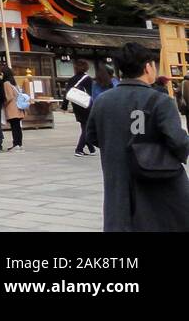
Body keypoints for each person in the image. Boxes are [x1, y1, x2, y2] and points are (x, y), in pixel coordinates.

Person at [86, 42, 189, 232]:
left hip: (117, 177)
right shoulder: (161, 101)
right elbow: (178, 142)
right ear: (147, 66)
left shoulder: (102, 101)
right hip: (157, 179)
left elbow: (91, 137)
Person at [62, 58, 96, 157]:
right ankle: (79, 149)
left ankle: (91, 148)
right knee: (86, 127)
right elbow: (90, 94)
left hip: (76, 105)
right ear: (86, 67)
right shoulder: (88, 79)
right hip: (85, 105)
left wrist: (64, 106)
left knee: (84, 126)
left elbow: (67, 93)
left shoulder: (72, 79)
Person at [2, 67, 26, 152]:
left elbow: (9, 97)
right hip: (19, 108)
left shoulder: (6, 83)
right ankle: (19, 144)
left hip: (12, 108)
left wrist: (3, 103)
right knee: (18, 127)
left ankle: (16, 144)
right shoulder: (14, 83)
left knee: (14, 127)